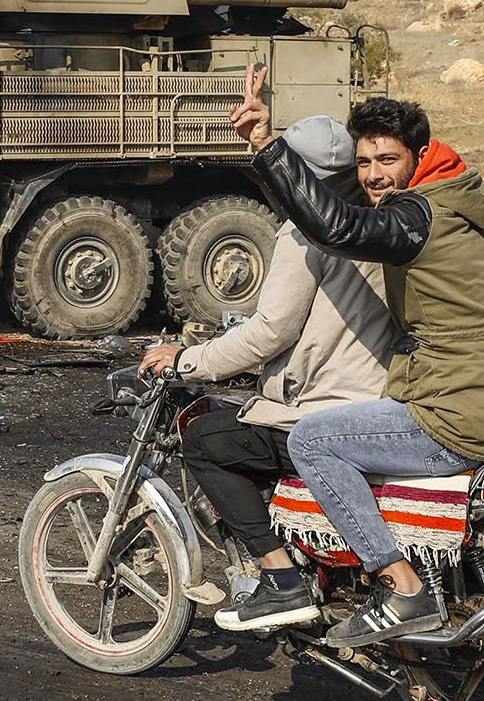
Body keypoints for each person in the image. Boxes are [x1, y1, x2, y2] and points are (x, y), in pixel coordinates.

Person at [227, 67, 484, 648]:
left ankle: (400, 585)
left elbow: (336, 227)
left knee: (311, 439)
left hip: (466, 414)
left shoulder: (416, 217)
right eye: (364, 163)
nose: (375, 175)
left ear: (419, 156)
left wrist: (263, 144)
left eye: (387, 160)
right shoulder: (462, 202)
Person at [138, 115, 397, 632]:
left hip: (329, 410)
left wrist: (187, 360)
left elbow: (270, 331)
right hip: (384, 402)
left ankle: (282, 582)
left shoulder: (306, 230)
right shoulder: (381, 219)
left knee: (207, 442)